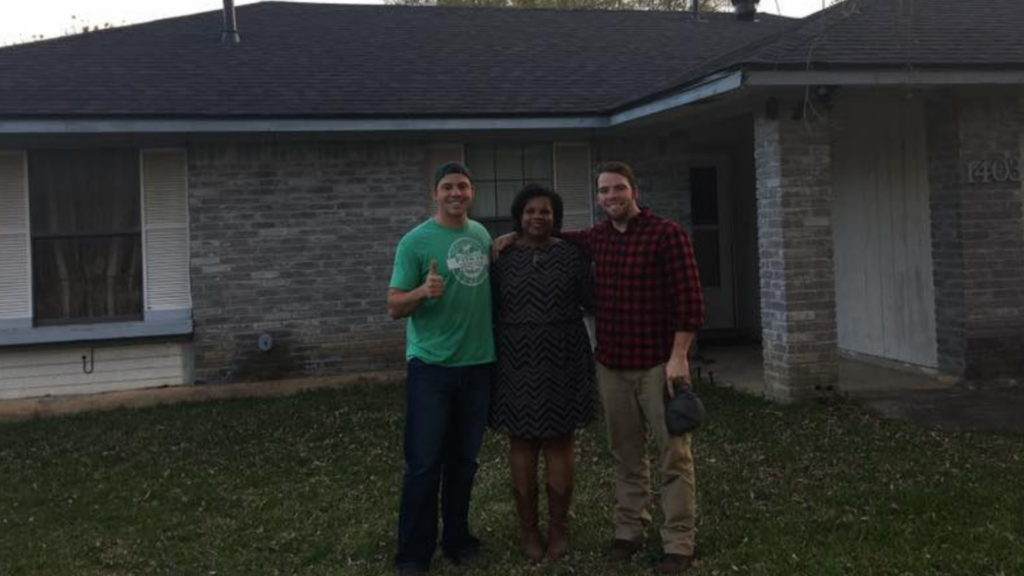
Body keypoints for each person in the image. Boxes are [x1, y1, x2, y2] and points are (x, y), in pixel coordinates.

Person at [496, 160, 705, 574]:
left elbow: (691, 301)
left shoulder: (667, 234)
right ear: (597, 198)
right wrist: (513, 236)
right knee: (626, 455)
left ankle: (678, 542)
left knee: (673, 455)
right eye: (604, 191)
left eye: (618, 189)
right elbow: (552, 235)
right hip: (611, 364)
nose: (611, 197)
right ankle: (629, 532)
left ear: (633, 191)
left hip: (657, 365)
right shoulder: (597, 239)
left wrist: (679, 355)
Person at [387, 161, 496, 576]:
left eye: (463, 187)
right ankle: (413, 554)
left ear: (472, 192)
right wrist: (422, 291)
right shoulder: (415, 242)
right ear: (435, 193)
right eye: (448, 187)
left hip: (478, 366)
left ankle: (457, 541)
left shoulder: (481, 234)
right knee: (424, 463)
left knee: (464, 462)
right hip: (431, 368)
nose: (456, 193)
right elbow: (394, 306)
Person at [490, 184, 597, 563]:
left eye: (546, 212)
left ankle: (558, 529)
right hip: (515, 358)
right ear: (519, 216)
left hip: (563, 356)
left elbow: (592, 300)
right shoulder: (500, 257)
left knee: (559, 441)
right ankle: (528, 530)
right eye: (531, 211)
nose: (538, 217)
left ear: (556, 217)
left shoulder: (572, 255)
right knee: (522, 442)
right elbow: (487, 306)